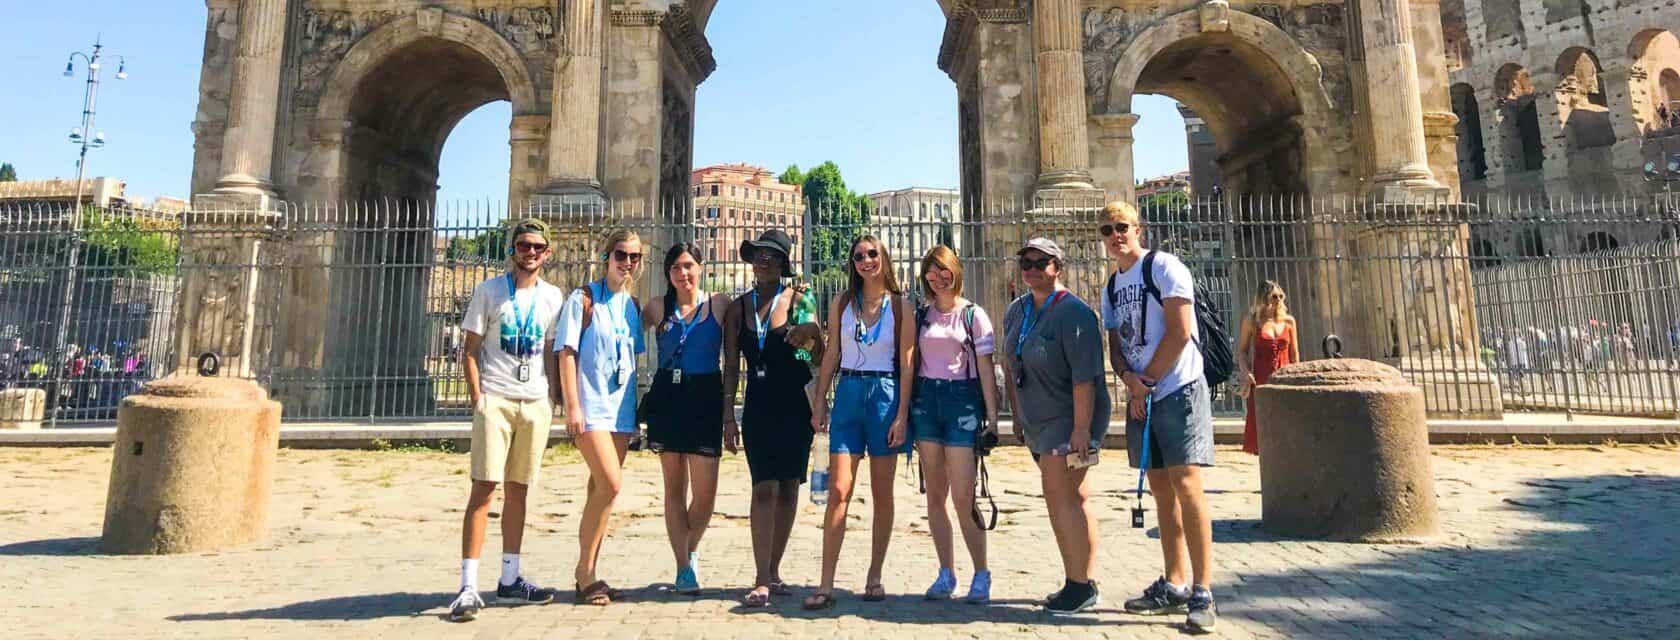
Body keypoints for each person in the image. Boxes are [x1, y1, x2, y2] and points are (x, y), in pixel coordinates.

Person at [1098, 201, 1218, 632]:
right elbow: (1115, 344)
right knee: (1162, 492)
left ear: (1139, 229)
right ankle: (1175, 582)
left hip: (1178, 388)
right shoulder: (1111, 286)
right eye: (1108, 230)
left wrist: (1144, 382)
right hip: (1141, 394)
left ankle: (1204, 590)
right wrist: (1130, 379)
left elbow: (1181, 331)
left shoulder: (1165, 267)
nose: (1116, 235)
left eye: (1122, 227)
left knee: (1187, 485)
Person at [448, 218, 567, 622]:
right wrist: (478, 398)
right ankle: (467, 585)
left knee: (519, 490)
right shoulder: (489, 291)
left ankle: (510, 580)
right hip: (496, 400)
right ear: (512, 249)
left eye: (537, 247)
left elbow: (553, 352)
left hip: (534, 403)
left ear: (547, 253)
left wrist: (553, 399)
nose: (530, 252)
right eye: (523, 246)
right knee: (483, 489)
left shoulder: (554, 297)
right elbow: (470, 349)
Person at [998, 237, 1111, 616]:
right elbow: (1010, 365)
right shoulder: (1018, 310)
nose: (1030, 268)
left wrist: (1081, 430)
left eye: (1040, 262)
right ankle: (1083, 579)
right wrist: (1015, 415)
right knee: (1069, 498)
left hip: (1067, 420)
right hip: (1035, 419)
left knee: (1062, 498)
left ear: (1057, 267)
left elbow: (1085, 378)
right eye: (1025, 262)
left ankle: (1078, 584)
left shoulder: (1075, 313)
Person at [805, 235, 914, 610]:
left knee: (883, 494)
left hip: (884, 394)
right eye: (858, 256)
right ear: (852, 263)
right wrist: (820, 401)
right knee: (838, 490)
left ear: (883, 257)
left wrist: (902, 413)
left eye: (872, 254)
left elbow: (907, 363)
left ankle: (875, 574)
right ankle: (826, 582)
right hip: (849, 392)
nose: (866, 261)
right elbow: (832, 351)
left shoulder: (901, 306)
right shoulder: (842, 302)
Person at [721, 229, 822, 607]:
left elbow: (816, 356)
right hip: (759, 405)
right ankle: (761, 576)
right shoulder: (736, 308)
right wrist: (728, 415)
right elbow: (731, 366)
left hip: (795, 404)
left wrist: (813, 333)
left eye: (773, 256)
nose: (765, 261)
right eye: (760, 254)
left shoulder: (801, 299)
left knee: (790, 486)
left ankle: (775, 569)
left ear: (783, 265)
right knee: (764, 486)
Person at [555, 229, 646, 606]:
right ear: (606, 256)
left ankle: (588, 573)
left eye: (634, 257)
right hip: (590, 408)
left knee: (601, 492)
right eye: (621, 254)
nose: (627, 262)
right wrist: (571, 405)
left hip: (620, 411)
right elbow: (566, 352)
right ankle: (583, 571)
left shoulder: (631, 306)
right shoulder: (582, 298)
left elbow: (633, 360)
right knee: (610, 484)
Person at [909, 245, 1001, 603]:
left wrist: (992, 419)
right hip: (926, 402)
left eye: (943, 270)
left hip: (962, 401)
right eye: (931, 272)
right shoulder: (922, 316)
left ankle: (981, 572)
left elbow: (985, 369)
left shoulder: (973, 315)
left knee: (964, 496)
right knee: (935, 496)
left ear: (955, 271)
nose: (937, 278)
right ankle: (946, 572)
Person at [639, 243, 732, 595]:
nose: (683, 273)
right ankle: (683, 566)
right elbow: (626, 332)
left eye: (689, 265)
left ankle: (689, 549)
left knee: (706, 493)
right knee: (674, 489)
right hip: (668, 396)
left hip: (705, 395)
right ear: (667, 273)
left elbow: (738, 347)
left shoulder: (719, 304)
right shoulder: (655, 307)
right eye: (676, 267)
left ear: (701, 267)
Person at [1235, 280, 1297, 455]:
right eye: (1274, 296)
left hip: (1285, 376)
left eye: (1280, 296)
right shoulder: (1252, 322)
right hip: (1261, 377)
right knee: (1262, 422)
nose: (1278, 300)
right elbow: (1242, 351)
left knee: (1285, 419)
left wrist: (1297, 376)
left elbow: (1294, 353)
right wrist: (1246, 372)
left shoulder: (1289, 321)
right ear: (1263, 298)